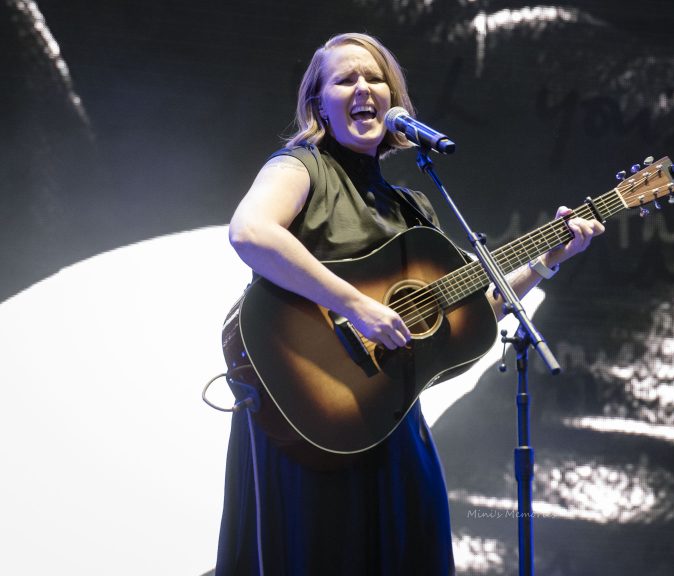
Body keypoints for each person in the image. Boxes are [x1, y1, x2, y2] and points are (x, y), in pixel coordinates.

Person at [215, 32, 604, 575]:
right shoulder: (301, 167)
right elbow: (250, 232)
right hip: (310, 419)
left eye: (374, 78)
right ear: (318, 104)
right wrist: (355, 305)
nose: (363, 88)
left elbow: (467, 314)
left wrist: (546, 262)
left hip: (392, 420)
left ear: (393, 99)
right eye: (345, 79)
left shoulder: (412, 207)